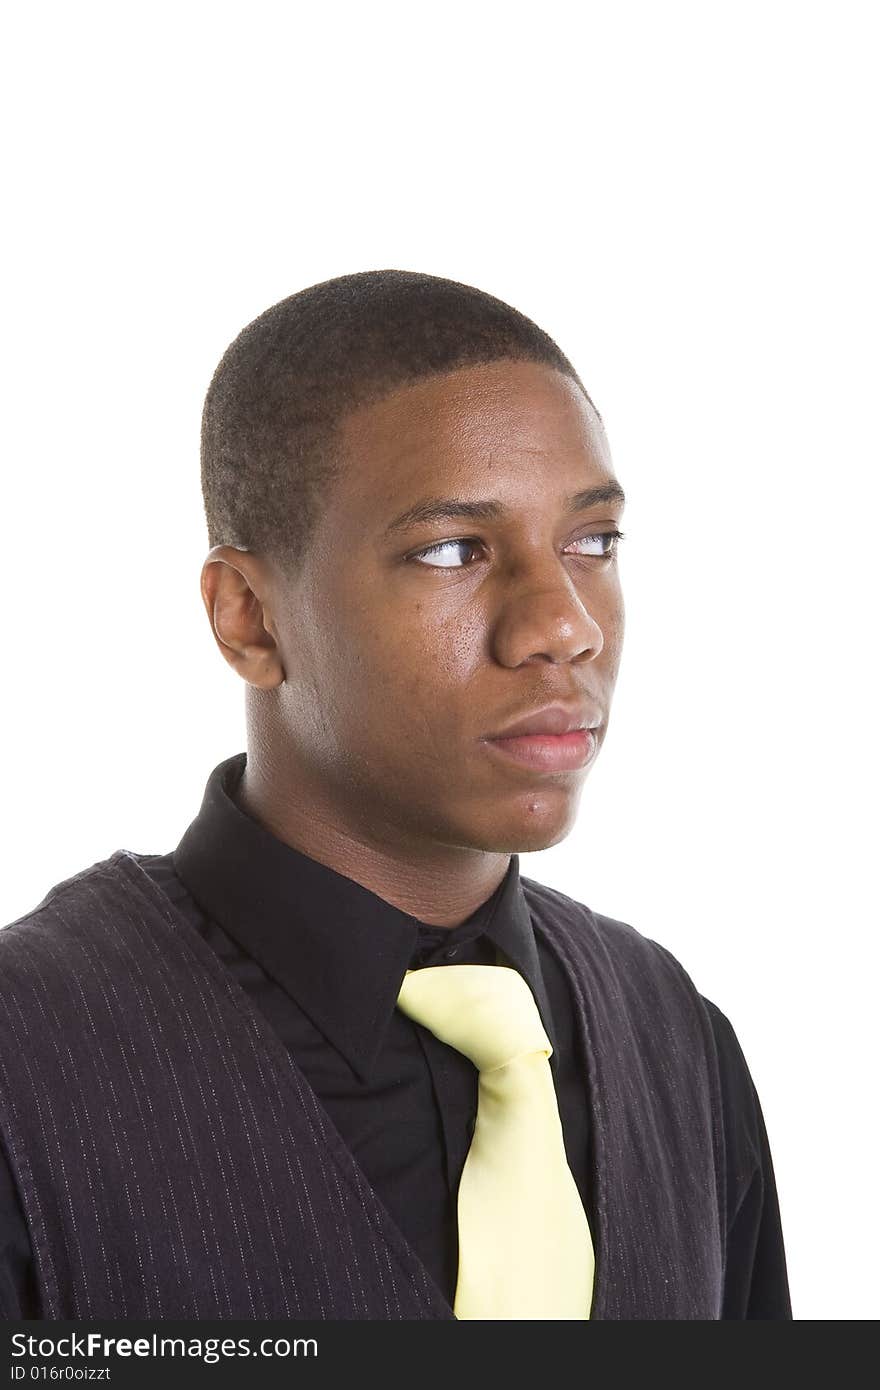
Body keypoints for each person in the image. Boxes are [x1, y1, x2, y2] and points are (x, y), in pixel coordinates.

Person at [0, 270, 792, 1321]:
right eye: (453, 551)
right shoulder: (31, 1063)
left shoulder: (679, 1047)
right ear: (248, 617)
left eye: (591, 541)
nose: (562, 626)